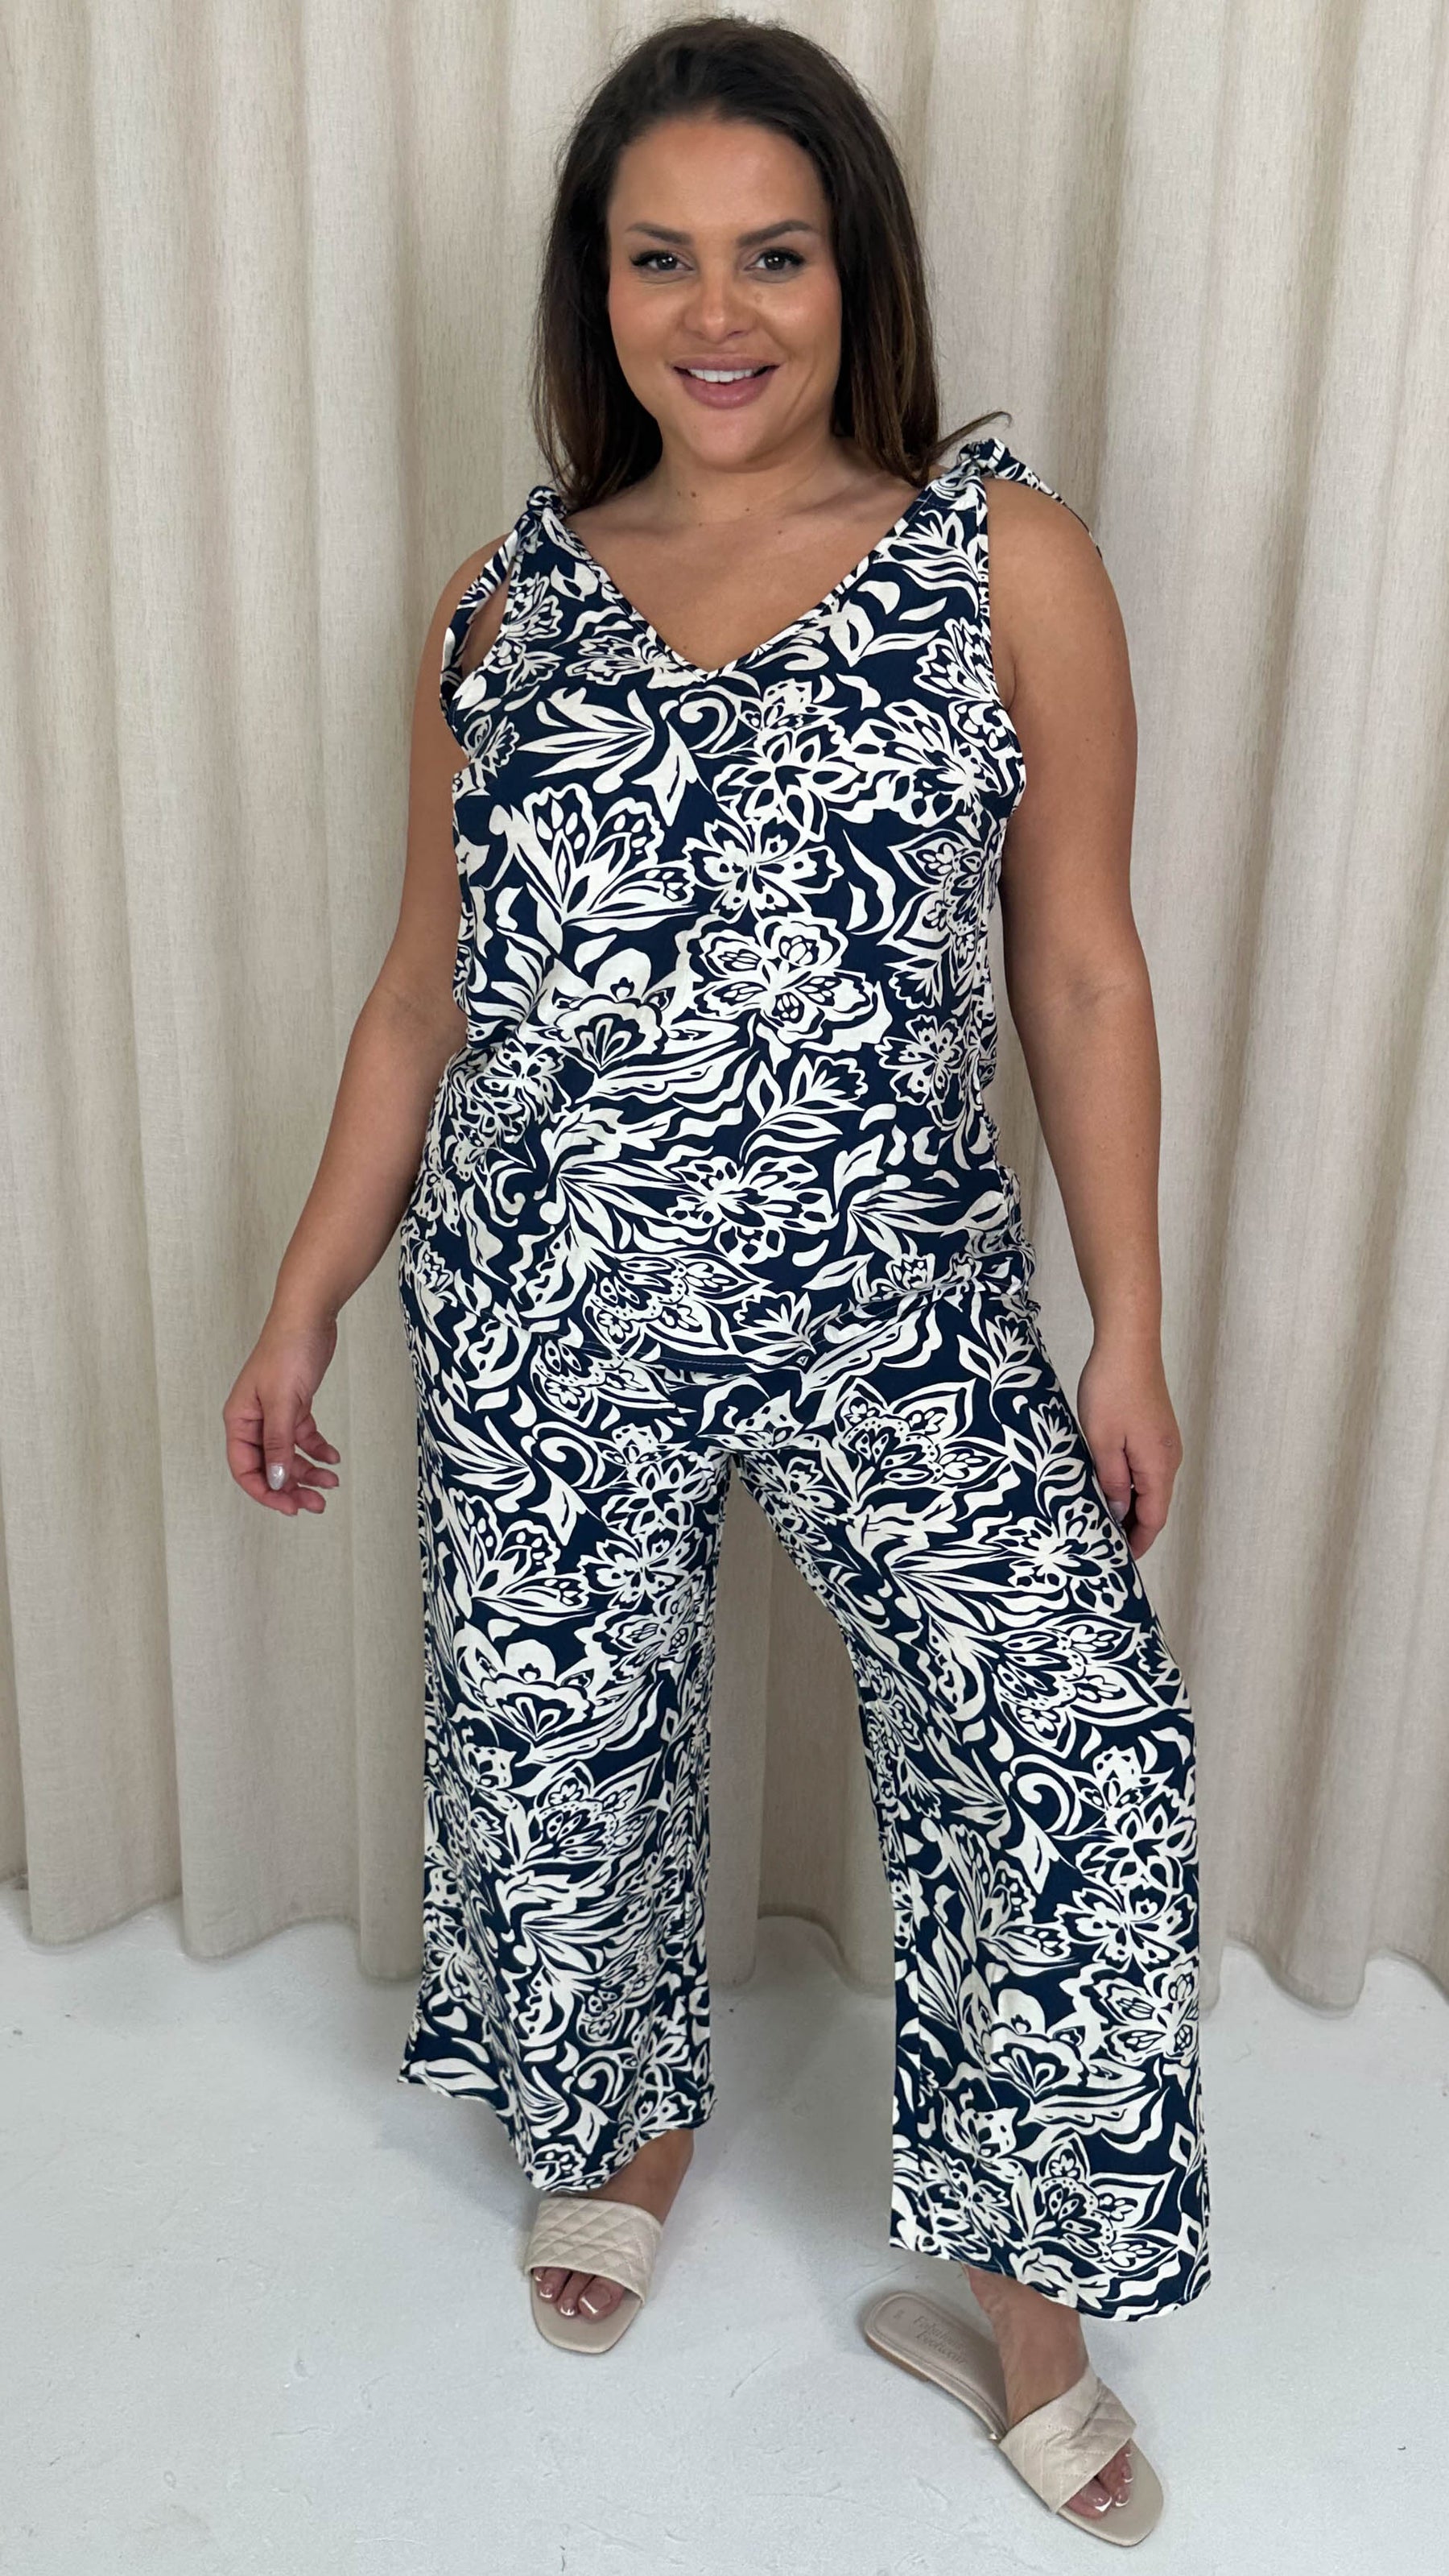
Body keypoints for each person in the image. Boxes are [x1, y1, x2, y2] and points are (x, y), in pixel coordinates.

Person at [224, 14, 1209, 2543]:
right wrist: (305, 1298)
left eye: (770, 253)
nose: (718, 310)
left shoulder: (1006, 559)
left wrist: (1131, 1322)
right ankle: (623, 2121)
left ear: (852, 269)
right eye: (659, 259)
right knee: (560, 1753)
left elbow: (1082, 965)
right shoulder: (501, 606)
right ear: (600, 292)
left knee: (1073, 1754)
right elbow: (424, 992)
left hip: (902, 1309)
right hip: (547, 1290)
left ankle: (1023, 2300)